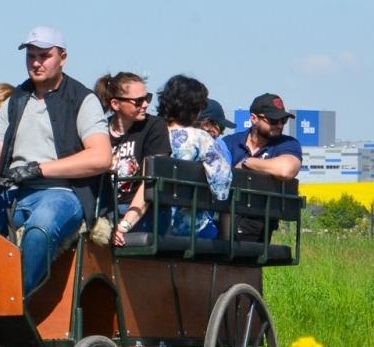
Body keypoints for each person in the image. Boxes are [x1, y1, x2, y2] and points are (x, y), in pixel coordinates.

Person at [0, 27, 111, 295]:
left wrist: (38, 169)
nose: (36, 63)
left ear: (63, 57)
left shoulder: (82, 99)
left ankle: (11, 303)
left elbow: (101, 157)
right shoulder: (15, 101)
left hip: (63, 193)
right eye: (31, 56)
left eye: (44, 56)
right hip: (12, 193)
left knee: (40, 229)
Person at [96, 71, 170, 246]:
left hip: (142, 211)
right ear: (115, 104)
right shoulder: (98, 131)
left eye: (147, 98)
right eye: (138, 101)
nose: (145, 104)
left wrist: (124, 225)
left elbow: (149, 184)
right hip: (105, 209)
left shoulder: (154, 126)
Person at [156, 75, 231, 239]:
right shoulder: (201, 138)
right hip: (188, 228)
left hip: (150, 220)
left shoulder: (150, 132)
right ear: (195, 109)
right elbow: (221, 187)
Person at [221, 92, 303, 242]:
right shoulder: (229, 142)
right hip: (220, 214)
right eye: (273, 120)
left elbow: (286, 170)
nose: (279, 125)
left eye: (283, 120)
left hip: (258, 219)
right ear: (254, 118)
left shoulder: (287, 144)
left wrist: (248, 163)